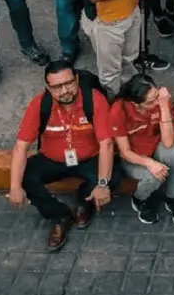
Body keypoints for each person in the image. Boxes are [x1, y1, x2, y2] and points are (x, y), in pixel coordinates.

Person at [9, 60, 116, 251]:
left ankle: (84, 200)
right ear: (49, 89)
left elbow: (106, 144)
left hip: (89, 158)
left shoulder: (94, 100)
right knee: (24, 177)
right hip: (52, 159)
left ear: (76, 80)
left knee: (113, 176)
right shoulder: (39, 104)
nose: (65, 91)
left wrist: (102, 185)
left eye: (69, 84)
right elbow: (20, 147)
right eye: (57, 87)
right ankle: (59, 215)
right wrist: (15, 187)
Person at [111, 73, 174, 225]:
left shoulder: (160, 101)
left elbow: (168, 142)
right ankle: (140, 199)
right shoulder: (118, 111)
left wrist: (164, 106)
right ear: (134, 103)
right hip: (134, 156)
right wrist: (150, 163)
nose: (155, 103)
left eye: (156, 97)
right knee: (152, 177)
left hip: (155, 146)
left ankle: (173, 197)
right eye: (150, 103)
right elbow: (125, 152)